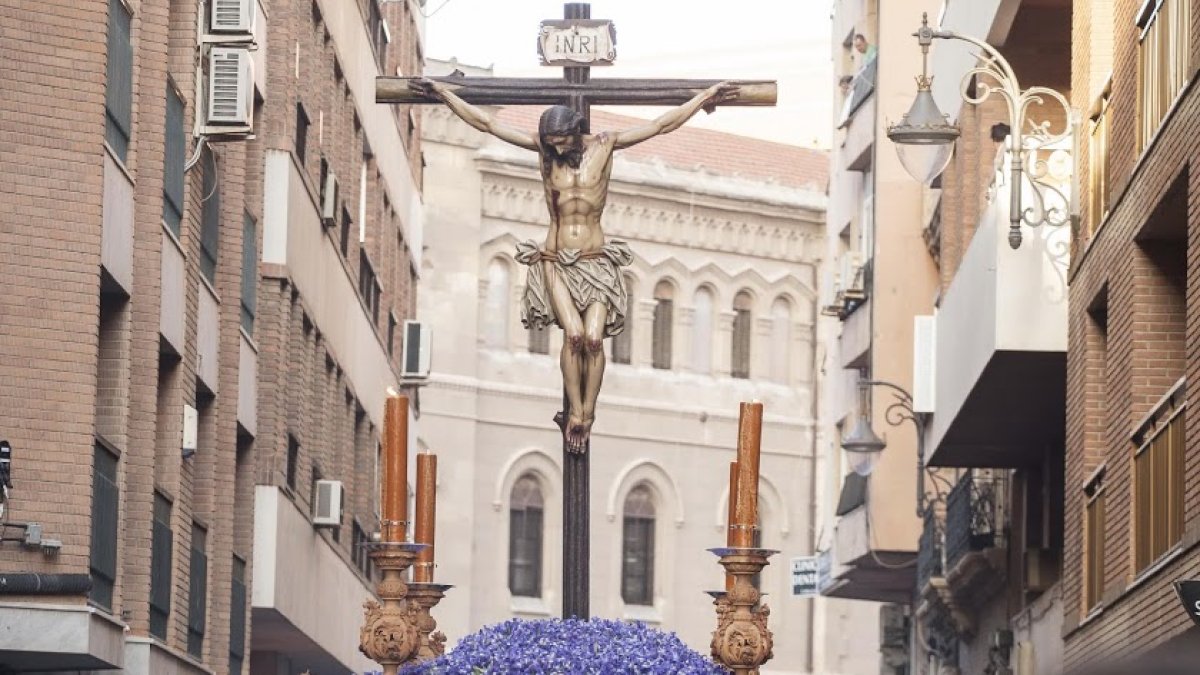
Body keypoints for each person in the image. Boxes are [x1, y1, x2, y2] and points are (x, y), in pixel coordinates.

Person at [411, 78, 739, 452]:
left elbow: (661, 124)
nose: (556, 147)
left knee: (595, 340)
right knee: (575, 336)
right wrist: (443, 94)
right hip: (556, 262)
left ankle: (587, 414)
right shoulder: (544, 154)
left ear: (575, 131)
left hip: (597, 262)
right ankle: (575, 415)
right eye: (550, 142)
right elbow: (487, 125)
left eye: (561, 141)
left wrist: (705, 98)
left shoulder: (606, 145)